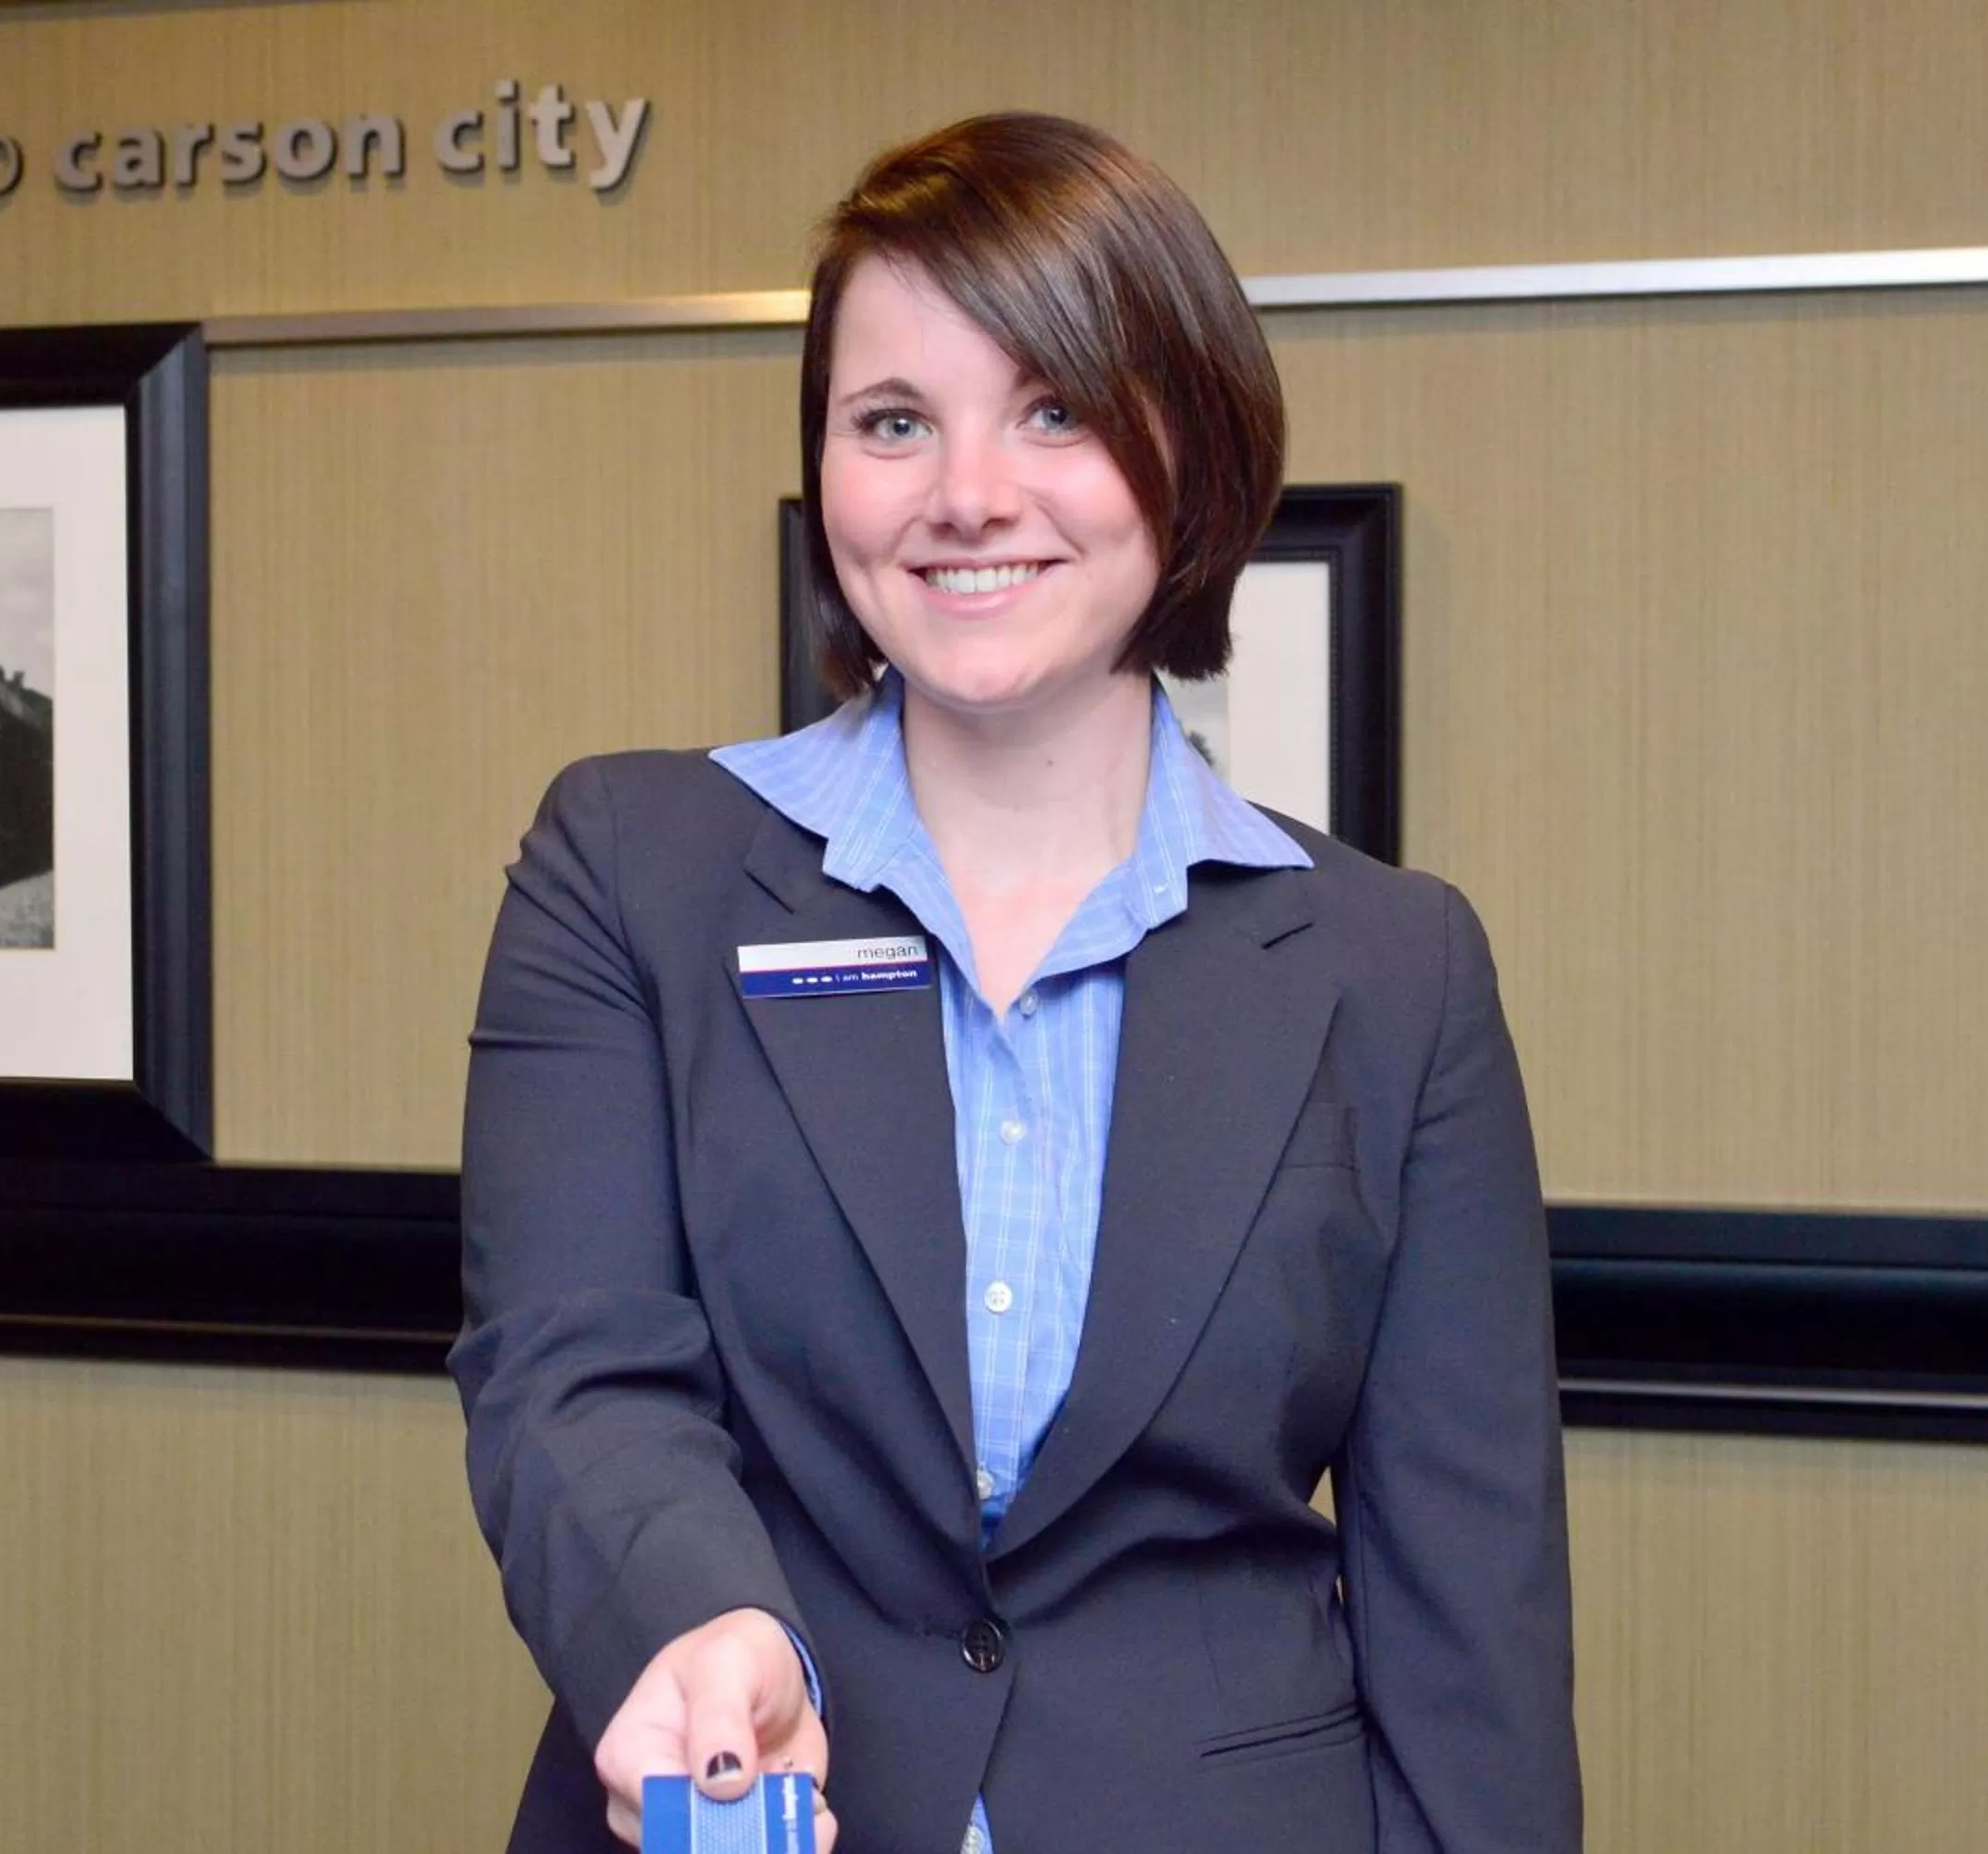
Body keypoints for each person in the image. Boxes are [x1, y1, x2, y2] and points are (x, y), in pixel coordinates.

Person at [451, 113, 1580, 1854]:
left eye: (1054, 410)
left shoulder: (1394, 968)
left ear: (1191, 448)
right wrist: (698, 1630)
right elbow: (573, 1368)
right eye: (894, 421)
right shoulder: (631, 868)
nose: (967, 493)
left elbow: (1469, 1611)